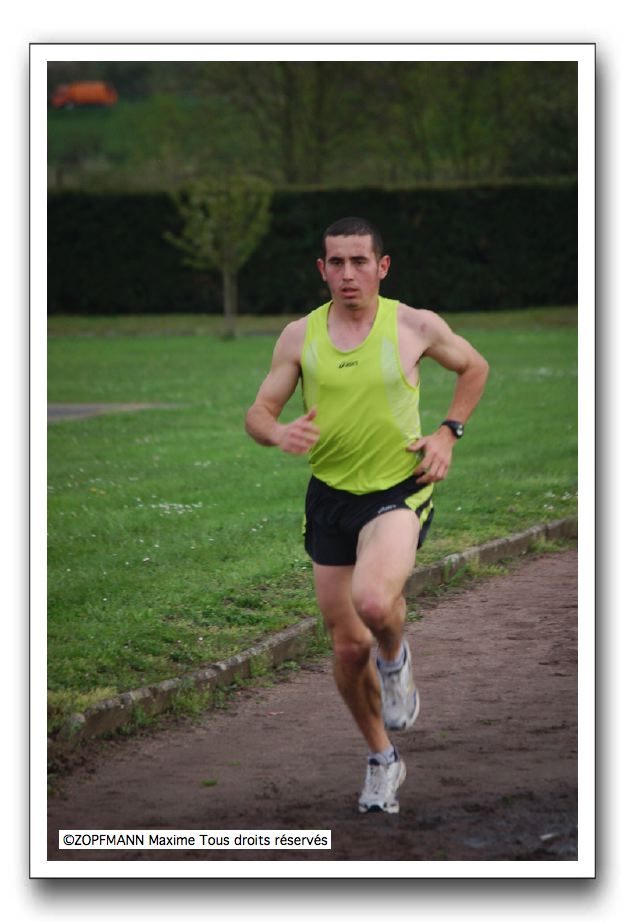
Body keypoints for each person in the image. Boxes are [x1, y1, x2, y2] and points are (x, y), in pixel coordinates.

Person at [245, 217, 489, 814]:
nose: (348, 273)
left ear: (382, 266)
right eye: (337, 262)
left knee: (375, 603)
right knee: (348, 649)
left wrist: (447, 433)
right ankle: (383, 758)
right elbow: (259, 412)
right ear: (322, 269)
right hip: (330, 499)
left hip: (398, 490)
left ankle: (396, 658)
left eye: (360, 261)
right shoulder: (299, 336)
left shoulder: (413, 325)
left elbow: (474, 367)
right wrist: (277, 432)